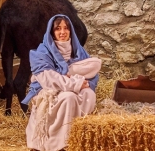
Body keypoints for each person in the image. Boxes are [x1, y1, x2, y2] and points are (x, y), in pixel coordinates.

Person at [21, 14, 101, 151]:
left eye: (66, 28)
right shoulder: (41, 52)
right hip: (48, 89)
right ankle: (59, 143)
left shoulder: (78, 51)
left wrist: (85, 83)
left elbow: (93, 73)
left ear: (71, 31)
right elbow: (48, 78)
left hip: (69, 86)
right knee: (68, 98)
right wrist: (74, 83)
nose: (63, 32)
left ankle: (78, 138)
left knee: (89, 94)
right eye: (58, 29)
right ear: (52, 32)